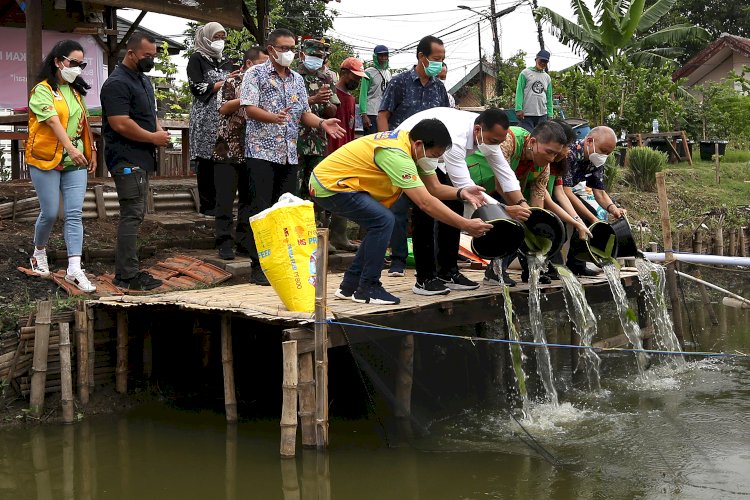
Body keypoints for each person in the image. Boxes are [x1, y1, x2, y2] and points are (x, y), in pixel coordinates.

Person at [309, 119, 493, 305]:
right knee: (383, 221)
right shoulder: (397, 155)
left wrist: (461, 192)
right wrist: (465, 224)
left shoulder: (414, 147)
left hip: (341, 183)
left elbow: (435, 189)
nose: (435, 160)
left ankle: (350, 285)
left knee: (379, 223)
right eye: (434, 155)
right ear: (420, 144)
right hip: (329, 185)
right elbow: (425, 203)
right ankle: (368, 288)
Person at [240, 28, 346, 284]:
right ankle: (259, 266)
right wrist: (272, 117)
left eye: (291, 48)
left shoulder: (297, 79)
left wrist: (322, 123)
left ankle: (282, 263)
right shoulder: (255, 74)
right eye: (284, 48)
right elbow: (247, 108)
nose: (288, 53)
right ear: (271, 49)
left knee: (284, 210)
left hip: (289, 154)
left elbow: (303, 113)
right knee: (261, 209)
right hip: (261, 152)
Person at [396, 107, 531, 295]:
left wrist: (522, 203)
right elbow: (465, 186)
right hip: (417, 151)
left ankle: (447, 272)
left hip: (438, 158)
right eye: (493, 141)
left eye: (499, 142)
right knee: (426, 211)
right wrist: (504, 209)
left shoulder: (489, 136)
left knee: (455, 204)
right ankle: (425, 278)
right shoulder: (456, 138)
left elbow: (505, 172)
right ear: (478, 130)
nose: (495, 146)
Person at [100, 32, 170, 291]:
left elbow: (148, 115)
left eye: (153, 55)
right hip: (126, 158)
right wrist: (153, 137)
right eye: (146, 56)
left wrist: (159, 132)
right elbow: (120, 123)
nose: (150, 60)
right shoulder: (116, 83)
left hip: (142, 157)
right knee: (131, 214)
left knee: (136, 214)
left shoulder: (143, 81)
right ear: (131, 53)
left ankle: (129, 271)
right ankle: (126, 275)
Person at [26, 40, 97, 292]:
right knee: (50, 212)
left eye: (82, 64)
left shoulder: (76, 92)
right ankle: (38, 252)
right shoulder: (42, 91)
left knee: (74, 213)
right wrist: (71, 148)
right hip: (45, 158)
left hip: (75, 161)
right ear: (58, 61)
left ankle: (74, 269)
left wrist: (92, 152)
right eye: (73, 63)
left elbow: (84, 125)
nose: (77, 68)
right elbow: (54, 122)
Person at [377, 35, 451, 277]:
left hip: (427, 157)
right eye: (436, 59)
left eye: (442, 60)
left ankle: (429, 265)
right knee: (397, 209)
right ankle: (397, 260)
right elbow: (383, 115)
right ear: (421, 56)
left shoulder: (439, 88)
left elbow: (444, 121)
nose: (439, 64)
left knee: (428, 209)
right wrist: (386, 146)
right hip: (400, 154)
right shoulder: (399, 82)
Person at [469, 121, 567, 286]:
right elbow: (502, 183)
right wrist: (522, 208)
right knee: (512, 221)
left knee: (527, 222)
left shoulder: (545, 167)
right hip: (473, 182)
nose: (551, 158)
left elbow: (537, 201)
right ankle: (494, 272)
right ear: (534, 142)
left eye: (555, 155)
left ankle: (531, 270)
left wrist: (534, 221)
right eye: (549, 152)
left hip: (503, 193)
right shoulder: (509, 139)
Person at [212, 46, 269, 266]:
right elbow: (223, 108)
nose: (266, 67)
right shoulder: (231, 82)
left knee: (249, 199)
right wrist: (246, 97)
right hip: (227, 150)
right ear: (248, 64)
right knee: (225, 200)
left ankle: (244, 240)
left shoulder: (267, 84)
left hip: (254, 151)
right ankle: (224, 242)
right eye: (262, 63)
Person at [187, 22, 236, 216]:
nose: (220, 41)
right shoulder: (196, 59)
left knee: (223, 159)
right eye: (216, 37)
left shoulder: (227, 60)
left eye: (223, 37)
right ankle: (207, 207)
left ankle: (222, 206)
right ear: (206, 37)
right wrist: (224, 82)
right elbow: (197, 87)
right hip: (205, 116)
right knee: (206, 161)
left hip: (225, 117)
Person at [562, 126, 624, 276]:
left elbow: (599, 192)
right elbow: (566, 192)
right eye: (603, 151)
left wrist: (613, 208)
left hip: (565, 192)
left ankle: (576, 264)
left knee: (590, 215)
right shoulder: (569, 153)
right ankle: (554, 265)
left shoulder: (595, 160)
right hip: (553, 191)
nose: (604, 156)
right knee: (585, 215)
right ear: (589, 141)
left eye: (608, 153)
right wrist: (591, 218)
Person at [515, 49, 553, 133]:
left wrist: (550, 114)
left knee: (541, 138)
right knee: (527, 137)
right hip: (527, 114)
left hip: (542, 115)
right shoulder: (525, 73)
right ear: (536, 59)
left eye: (545, 62)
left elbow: (549, 97)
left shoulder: (547, 78)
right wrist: (518, 109)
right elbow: (519, 91)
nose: (543, 63)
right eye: (541, 60)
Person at [359, 45, 391, 135]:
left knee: (383, 140)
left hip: (384, 112)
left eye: (385, 56)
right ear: (375, 57)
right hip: (371, 112)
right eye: (381, 56)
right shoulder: (368, 72)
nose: (383, 58)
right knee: (371, 141)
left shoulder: (388, 73)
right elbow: (363, 94)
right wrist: (363, 114)